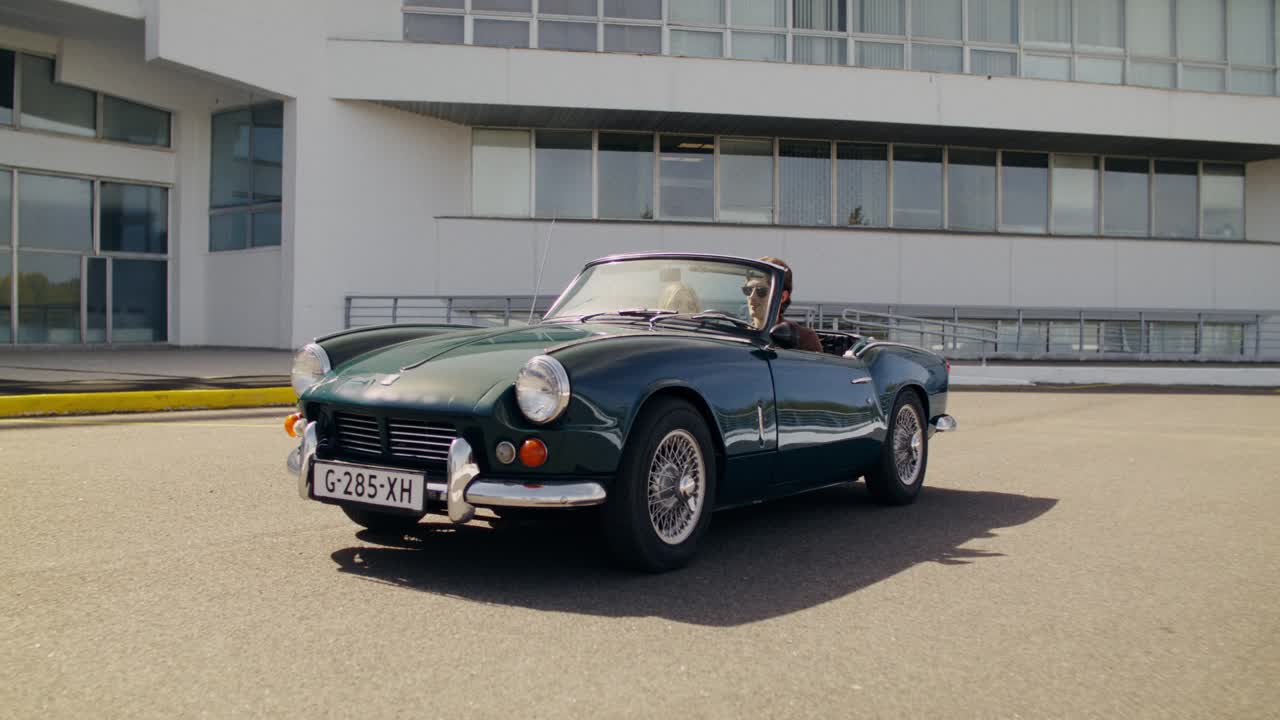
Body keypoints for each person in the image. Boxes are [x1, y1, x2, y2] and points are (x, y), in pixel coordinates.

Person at [748, 256, 822, 352]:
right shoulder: (741, 334)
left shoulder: (804, 339)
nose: (752, 297)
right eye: (748, 290)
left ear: (782, 297)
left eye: (761, 291)